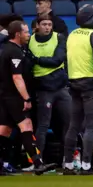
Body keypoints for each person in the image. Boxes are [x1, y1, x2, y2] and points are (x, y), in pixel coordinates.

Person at [0, 21, 57, 176]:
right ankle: (38, 163)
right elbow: (17, 77)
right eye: (25, 32)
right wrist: (26, 98)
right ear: (17, 34)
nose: (28, 34)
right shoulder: (14, 52)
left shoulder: (11, 49)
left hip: (5, 96)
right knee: (27, 127)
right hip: (14, 97)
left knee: (4, 130)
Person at [62, 5, 93, 175]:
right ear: (92, 18)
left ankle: (68, 165)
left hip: (74, 83)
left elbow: (66, 62)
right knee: (91, 127)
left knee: (73, 126)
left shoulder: (72, 35)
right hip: (92, 85)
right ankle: (86, 166)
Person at [28, 15, 70, 165]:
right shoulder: (30, 40)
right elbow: (27, 63)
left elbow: (57, 60)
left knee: (69, 123)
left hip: (60, 87)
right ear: (37, 26)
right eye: (44, 24)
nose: (47, 27)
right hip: (43, 88)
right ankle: (37, 161)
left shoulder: (59, 37)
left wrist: (37, 60)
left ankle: (69, 160)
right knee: (42, 126)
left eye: (49, 24)